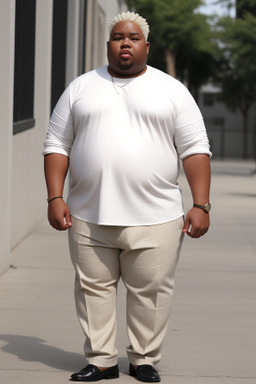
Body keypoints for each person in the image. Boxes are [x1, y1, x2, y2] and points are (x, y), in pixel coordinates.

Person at [43, 11, 211, 383]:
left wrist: (201, 204)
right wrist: (55, 196)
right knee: (92, 291)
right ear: (108, 44)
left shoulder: (171, 90)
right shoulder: (81, 87)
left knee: (151, 294)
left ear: (146, 46)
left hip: (156, 216)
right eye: (118, 36)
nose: (125, 43)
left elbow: (195, 148)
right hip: (89, 214)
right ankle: (102, 360)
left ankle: (143, 360)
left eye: (133, 38)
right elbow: (56, 143)